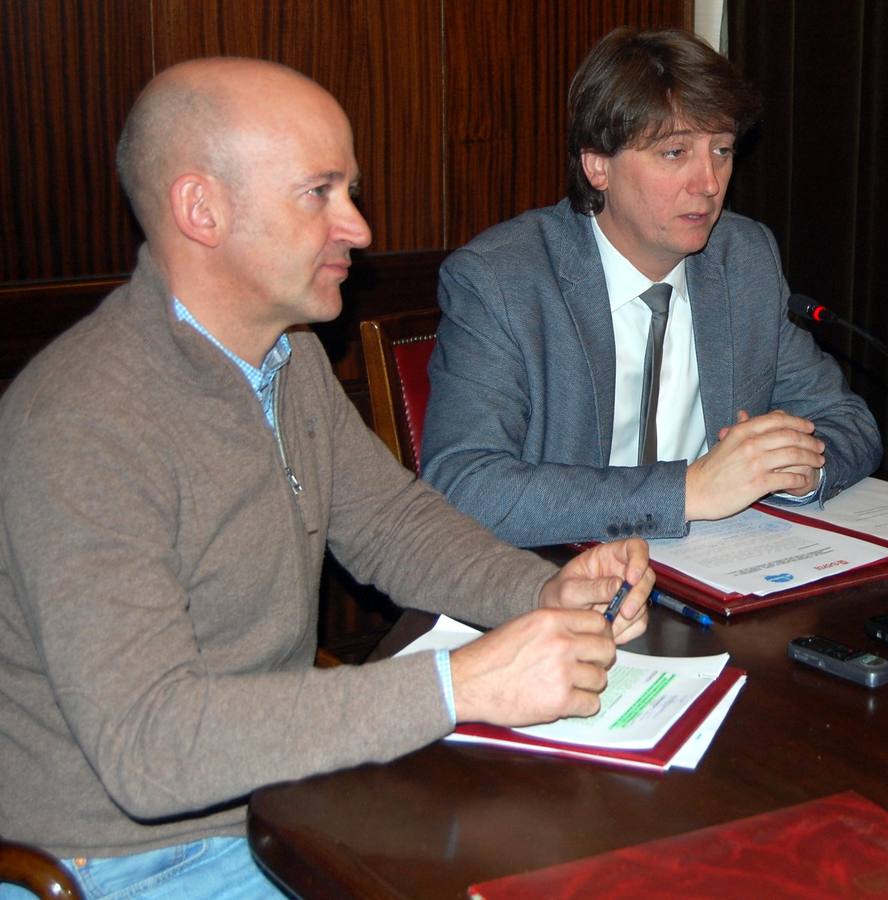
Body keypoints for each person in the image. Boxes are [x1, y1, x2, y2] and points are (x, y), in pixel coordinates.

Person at [0, 58, 651, 899]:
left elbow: (391, 526)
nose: (358, 226)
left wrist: (543, 593)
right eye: (320, 193)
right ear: (201, 209)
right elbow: (150, 749)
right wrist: (464, 685)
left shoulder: (284, 357)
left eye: (350, 191)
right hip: (125, 859)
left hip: (279, 796)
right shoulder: (84, 422)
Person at [421, 27, 882, 548]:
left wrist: (801, 470)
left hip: (721, 572)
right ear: (598, 165)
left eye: (723, 151)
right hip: (559, 583)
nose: (708, 182)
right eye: (674, 153)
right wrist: (687, 491)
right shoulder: (501, 281)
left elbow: (846, 421)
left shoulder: (744, 258)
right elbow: (463, 486)